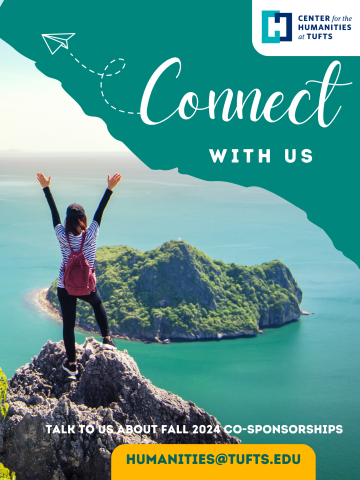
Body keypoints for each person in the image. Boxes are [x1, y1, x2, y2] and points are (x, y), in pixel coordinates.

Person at [37, 171, 122, 376]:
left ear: (67, 221)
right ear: (83, 218)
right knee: (98, 304)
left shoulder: (61, 235)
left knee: (68, 324)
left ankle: (72, 365)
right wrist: (109, 189)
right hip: (86, 287)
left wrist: (46, 188)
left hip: (64, 287)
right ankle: (107, 339)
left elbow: (54, 215)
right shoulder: (91, 234)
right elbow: (100, 213)